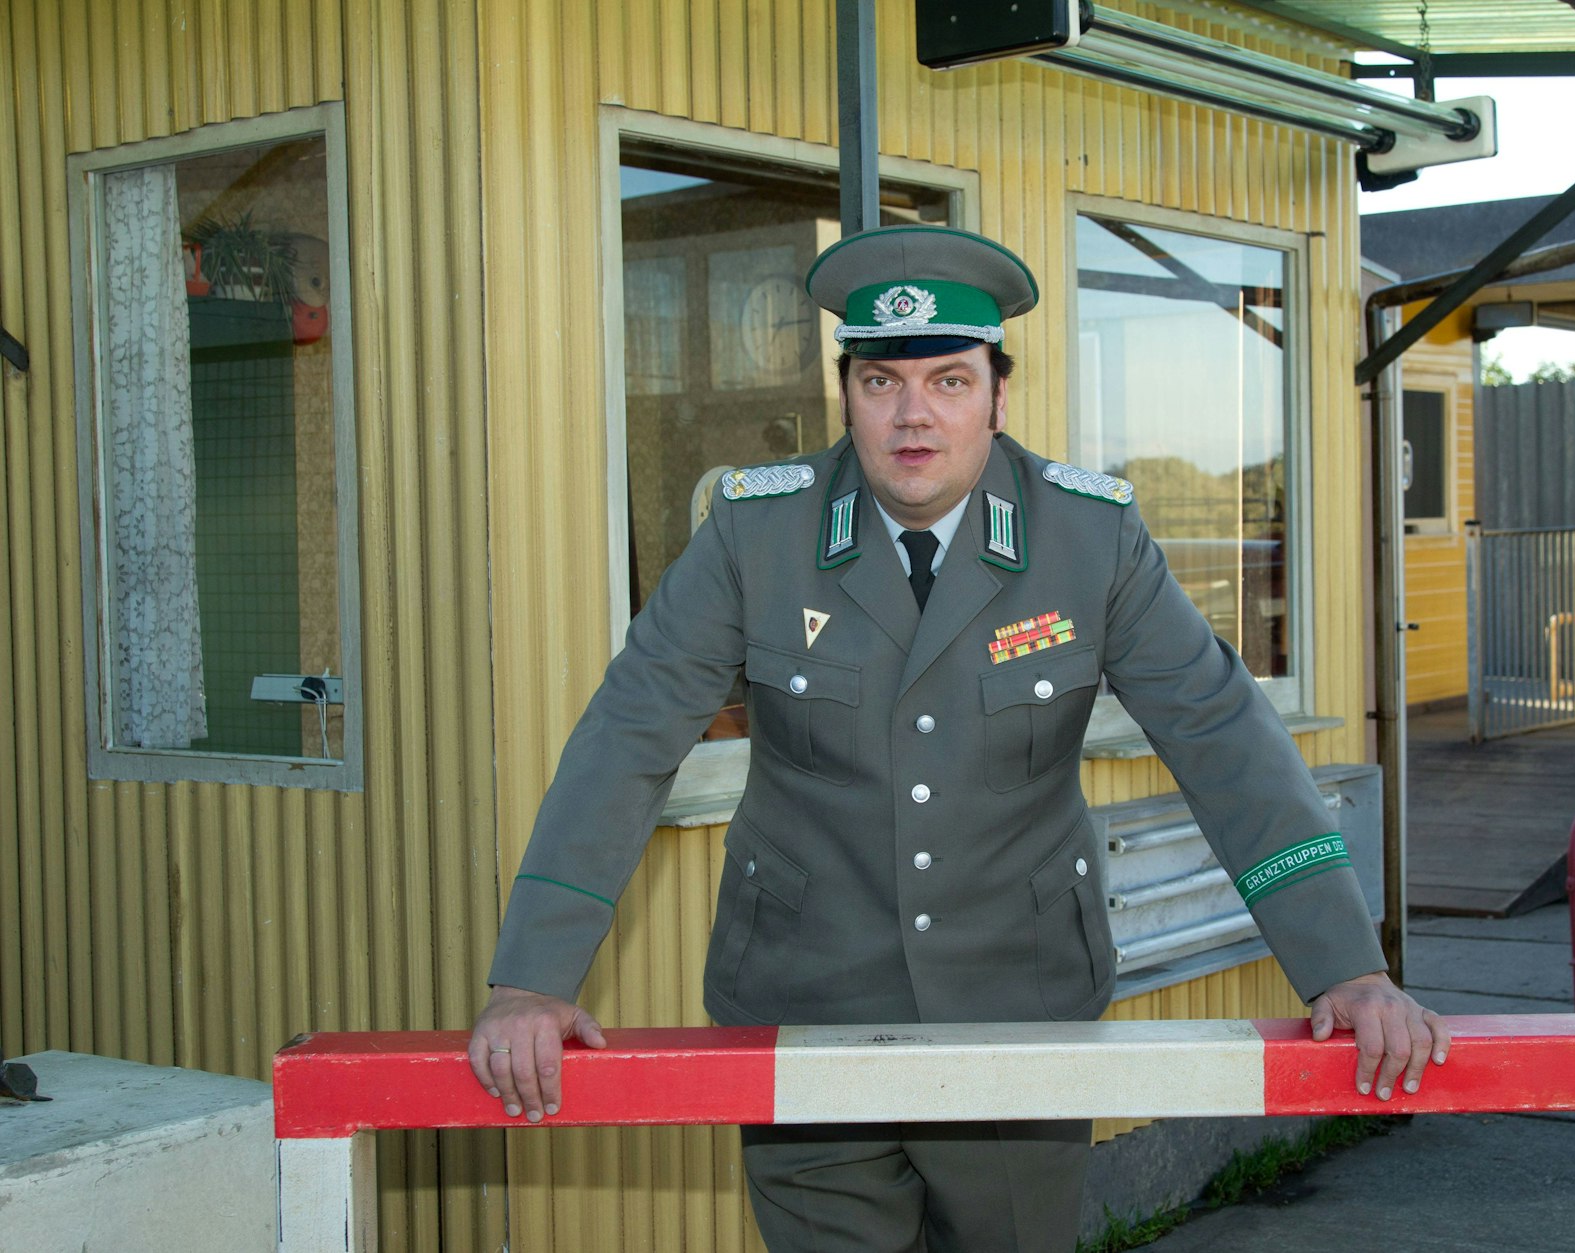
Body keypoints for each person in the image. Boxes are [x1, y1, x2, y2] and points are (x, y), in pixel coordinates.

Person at [471, 224, 1447, 1252]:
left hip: (1018, 1008)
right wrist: (533, 976)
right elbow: (628, 733)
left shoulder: (1088, 536)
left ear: (997, 396)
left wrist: (1346, 966)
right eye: (880, 382)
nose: (913, 414)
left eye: (948, 380)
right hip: (807, 1002)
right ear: (843, 396)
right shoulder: (755, 534)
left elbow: (1220, 734)